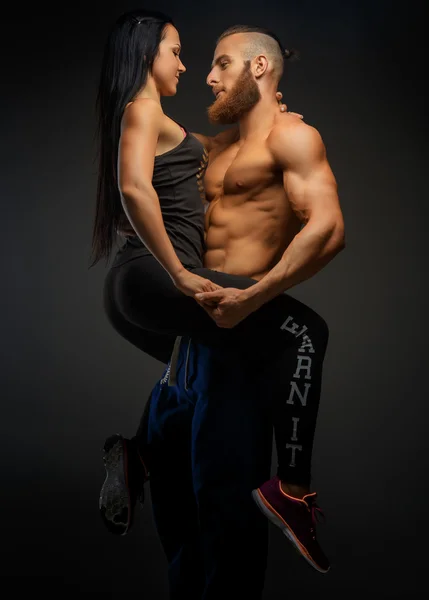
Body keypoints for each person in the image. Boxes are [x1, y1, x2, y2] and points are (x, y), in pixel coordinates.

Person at [91, 9, 344, 599]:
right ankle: (143, 451)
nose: (205, 75)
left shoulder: (295, 138)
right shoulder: (213, 150)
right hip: (192, 346)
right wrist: (169, 269)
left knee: (226, 523)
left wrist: (256, 294)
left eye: (221, 64)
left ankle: (288, 488)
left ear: (261, 67)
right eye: (197, 61)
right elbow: (149, 171)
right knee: (179, 526)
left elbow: (328, 227)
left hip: (235, 341)